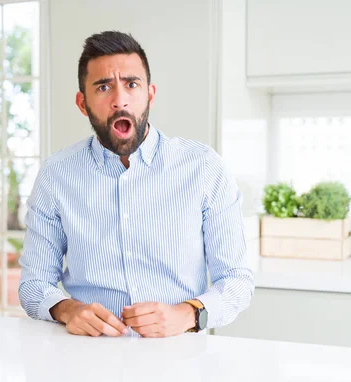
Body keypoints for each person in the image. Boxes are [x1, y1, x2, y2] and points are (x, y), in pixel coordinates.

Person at [18, 31, 254, 338]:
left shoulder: (204, 168)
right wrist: (67, 309)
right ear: (82, 103)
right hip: (86, 358)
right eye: (103, 87)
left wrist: (187, 315)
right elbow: (34, 283)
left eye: (132, 84)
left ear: (150, 94)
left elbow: (237, 281)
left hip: (179, 358)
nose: (120, 100)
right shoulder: (56, 175)